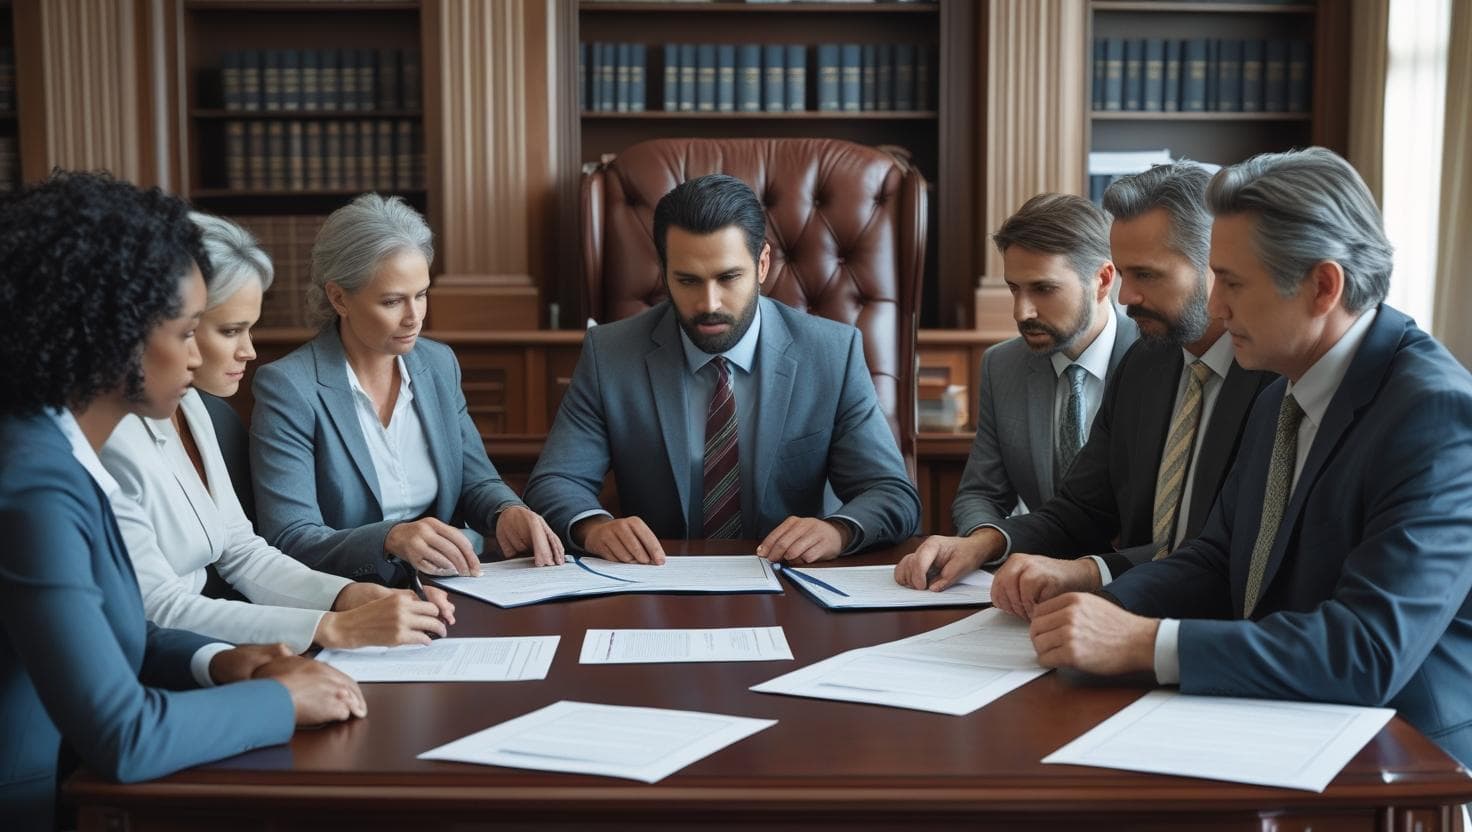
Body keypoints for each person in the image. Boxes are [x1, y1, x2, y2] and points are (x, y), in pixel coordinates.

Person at [1024, 147, 1472, 768]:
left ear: (1322, 286)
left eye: (1232, 283)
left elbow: (1367, 651)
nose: (1218, 307)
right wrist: (1106, 609)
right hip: (1275, 717)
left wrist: (1147, 642)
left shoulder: (1436, 415)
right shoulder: (1283, 388)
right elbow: (1217, 556)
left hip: (1397, 756)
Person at [0, 172, 365, 832]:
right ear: (113, 336)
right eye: (190, 330)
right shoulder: (34, 488)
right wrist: (278, 700)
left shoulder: (54, 445)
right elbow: (126, 736)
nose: (202, 358)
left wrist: (220, 660)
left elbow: (116, 631)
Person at [896, 162, 1275, 611]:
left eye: (1146, 275)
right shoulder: (1149, 363)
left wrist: (1088, 571)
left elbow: (1218, 549)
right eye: (1126, 275)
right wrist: (987, 543)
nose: (1126, 298)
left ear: (1214, 263)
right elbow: (1080, 510)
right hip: (1120, 614)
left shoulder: (1272, 375)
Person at [101, 212, 457, 653]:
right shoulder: (108, 438)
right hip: (162, 657)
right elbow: (158, 607)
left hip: (210, 645)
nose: (250, 350)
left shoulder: (194, 406)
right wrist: (329, 627)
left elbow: (242, 551)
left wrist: (346, 598)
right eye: (230, 330)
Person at [525, 174, 919, 565]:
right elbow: (555, 482)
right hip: (659, 584)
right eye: (687, 280)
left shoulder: (832, 353)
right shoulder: (610, 354)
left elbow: (891, 493)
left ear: (762, 264)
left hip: (791, 583)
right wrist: (594, 528)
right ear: (663, 271)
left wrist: (838, 531)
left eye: (729, 277)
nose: (708, 303)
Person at [250, 194, 562, 585]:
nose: (414, 317)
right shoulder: (290, 387)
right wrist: (391, 538)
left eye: (422, 294)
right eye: (393, 301)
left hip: (454, 585)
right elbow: (290, 537)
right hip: (353, 597)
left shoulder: (438, 365)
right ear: (339, 297)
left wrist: (506, 511)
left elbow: (475, 480)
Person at [951, 193, 1138, 535]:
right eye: (1013, 289)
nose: (1021, 313)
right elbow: (981, 494)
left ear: (1103, 280)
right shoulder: (1001, 365)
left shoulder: (1156, 359)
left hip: (1128, 576)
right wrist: (985, 540)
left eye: (1043, 289)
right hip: (1035, 573)